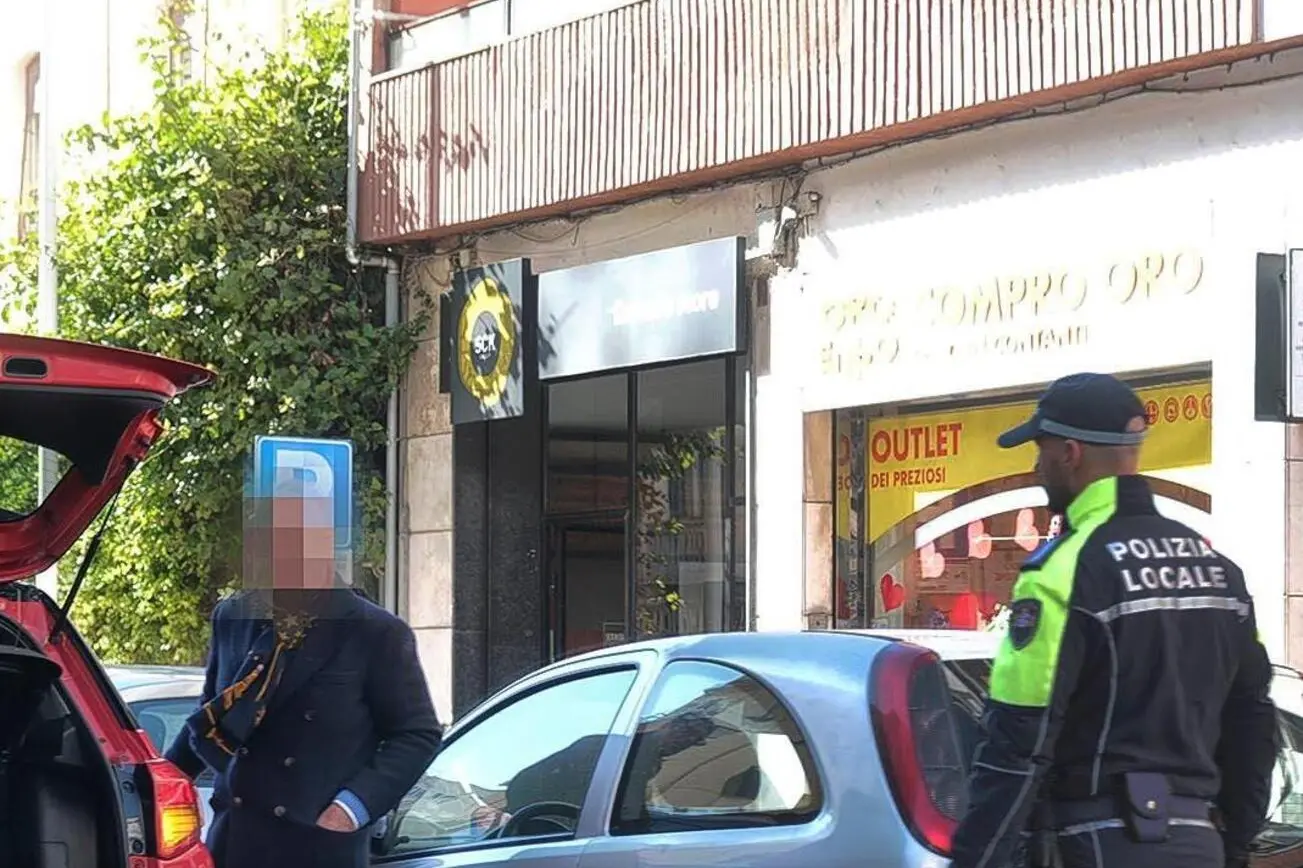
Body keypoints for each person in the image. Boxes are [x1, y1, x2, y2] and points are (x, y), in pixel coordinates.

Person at [949, 373, 1278, 868]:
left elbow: (1018, 741)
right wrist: (1233, 843)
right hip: (1199, 842)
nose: (1037, 467)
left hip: (1096, 844)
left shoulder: (1063, 570)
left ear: (1070, 452)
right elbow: (1252, 717)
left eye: (1041, 451)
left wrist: (977, 859)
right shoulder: (1219, 571)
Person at [166, 480, 443, 868]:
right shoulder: (233, 616)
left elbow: (417, 734)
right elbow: (209, 720)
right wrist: (156, 781)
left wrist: (349, 810)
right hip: (234, 844)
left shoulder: (375, 632)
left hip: (317, 848)